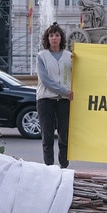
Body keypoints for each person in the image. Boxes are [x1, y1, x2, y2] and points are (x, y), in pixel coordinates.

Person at [36, 22, 73, 168]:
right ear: (47, 38)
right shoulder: (42, 56)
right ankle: (49, 167)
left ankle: (64, 166)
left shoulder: (69, 57)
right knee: (48, 136)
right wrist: (65, 91)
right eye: (51, 35)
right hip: (46, 100)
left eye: (57, 35)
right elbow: (45, 80)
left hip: (64, 101)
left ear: (61, 38)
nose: (54, 38)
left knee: (64, 136)